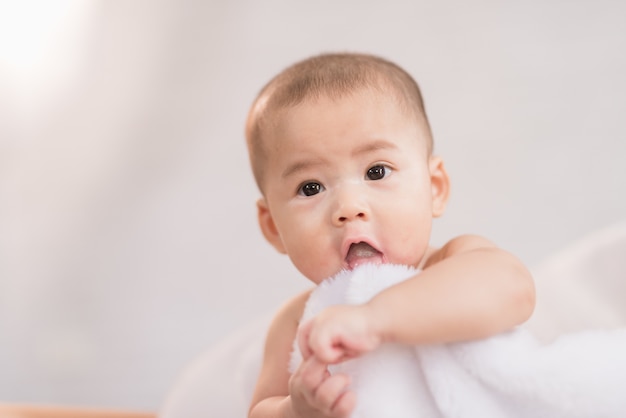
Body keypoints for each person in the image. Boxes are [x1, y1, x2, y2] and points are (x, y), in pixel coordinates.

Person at [244, 52, 535, 418]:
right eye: (311, 187)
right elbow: (259, 411)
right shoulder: (298, 321)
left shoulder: (452, 263)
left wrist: (375, 319)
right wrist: (295, 409)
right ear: (273, 227)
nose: (348, 207)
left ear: (434, 187)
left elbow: (514, 289)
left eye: (377, 171)